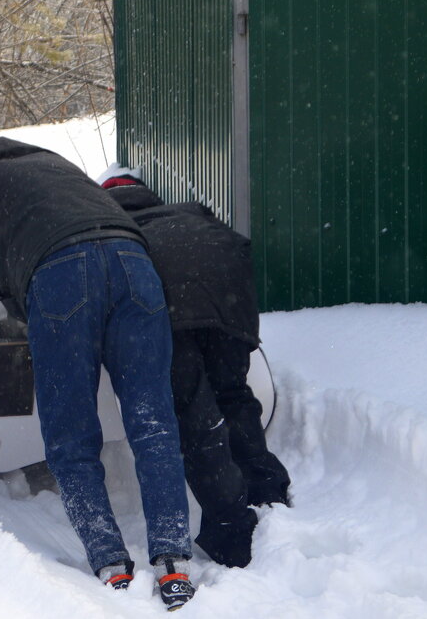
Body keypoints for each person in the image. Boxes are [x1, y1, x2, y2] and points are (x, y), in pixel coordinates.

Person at [0, 138, 195, 611]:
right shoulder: (58, 166)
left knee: (71, 435)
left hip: (62, 273)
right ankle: (174, 561)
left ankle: (111, 565)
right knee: (152, 421)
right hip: (134, 264)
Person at [97, 165, 292, 568]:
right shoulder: (189, 213)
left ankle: (230, 531)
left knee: (195, 418)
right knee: (233, 394)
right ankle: (267, 490)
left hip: (173, 314)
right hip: (229, 303)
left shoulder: (116, 235)